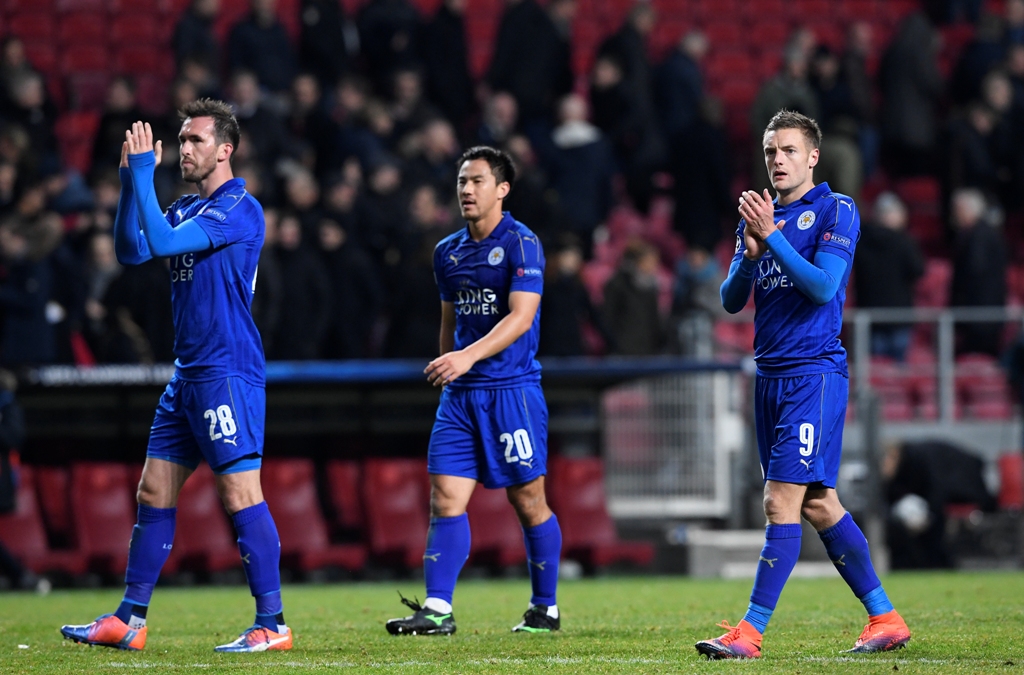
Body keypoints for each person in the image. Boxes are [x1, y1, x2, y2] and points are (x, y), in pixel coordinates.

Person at [60, 100, 291, 653]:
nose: (184, 149)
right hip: (188, 374)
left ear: (225, 150)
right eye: (181, 140)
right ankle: (129, 620)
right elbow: (132, 250)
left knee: (240, 492)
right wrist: (128, 183)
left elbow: (160, 243)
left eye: (195, 141)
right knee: (153, 489)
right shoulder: (188, 207)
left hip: (227, 371)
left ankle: (273, 623)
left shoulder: (240, 208)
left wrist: (145, 173)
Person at [696, 110, 910, 660]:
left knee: (779, 499)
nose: (778, 160)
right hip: (769, 378)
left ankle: (750, 632)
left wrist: (772, 237)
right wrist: (750, 256)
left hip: (812, 375)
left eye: (789, 150)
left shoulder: (837, 209)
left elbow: (823, 287)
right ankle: (885, 618)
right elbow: (730, 300)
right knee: (819, 503)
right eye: (771, 150)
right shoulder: (761, 215)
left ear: (812, 156)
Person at [385, 146, 562, 636]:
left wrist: (467, 356)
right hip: (461, 398)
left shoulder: (523, 244)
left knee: (528, 500)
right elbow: (450, 320)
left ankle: (545, 608)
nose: (466, 189)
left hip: (511, 391)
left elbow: (521, 317)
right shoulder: (447, 251)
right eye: (462, 180)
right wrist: (451, 363)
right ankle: (437, 609)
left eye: (477, 180)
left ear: (502, 189)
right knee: (444, 497)